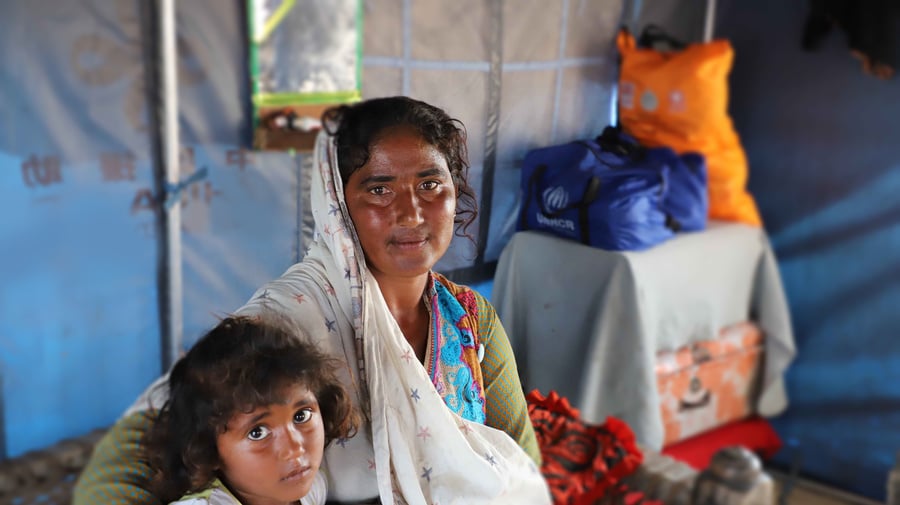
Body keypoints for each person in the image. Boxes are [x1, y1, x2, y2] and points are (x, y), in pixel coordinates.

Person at [74, 96, 551, 504]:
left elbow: (518, 457)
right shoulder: (290, 317)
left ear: (454, 192)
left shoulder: (468, 318)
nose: (411, 212)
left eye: (430, 184)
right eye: (379, 190)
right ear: (338, 205)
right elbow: (138, 440)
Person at [142, 314, 359, 505]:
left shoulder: (313, 488)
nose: (294, 447)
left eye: (301, 416)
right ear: (209, 450)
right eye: (258, 432)